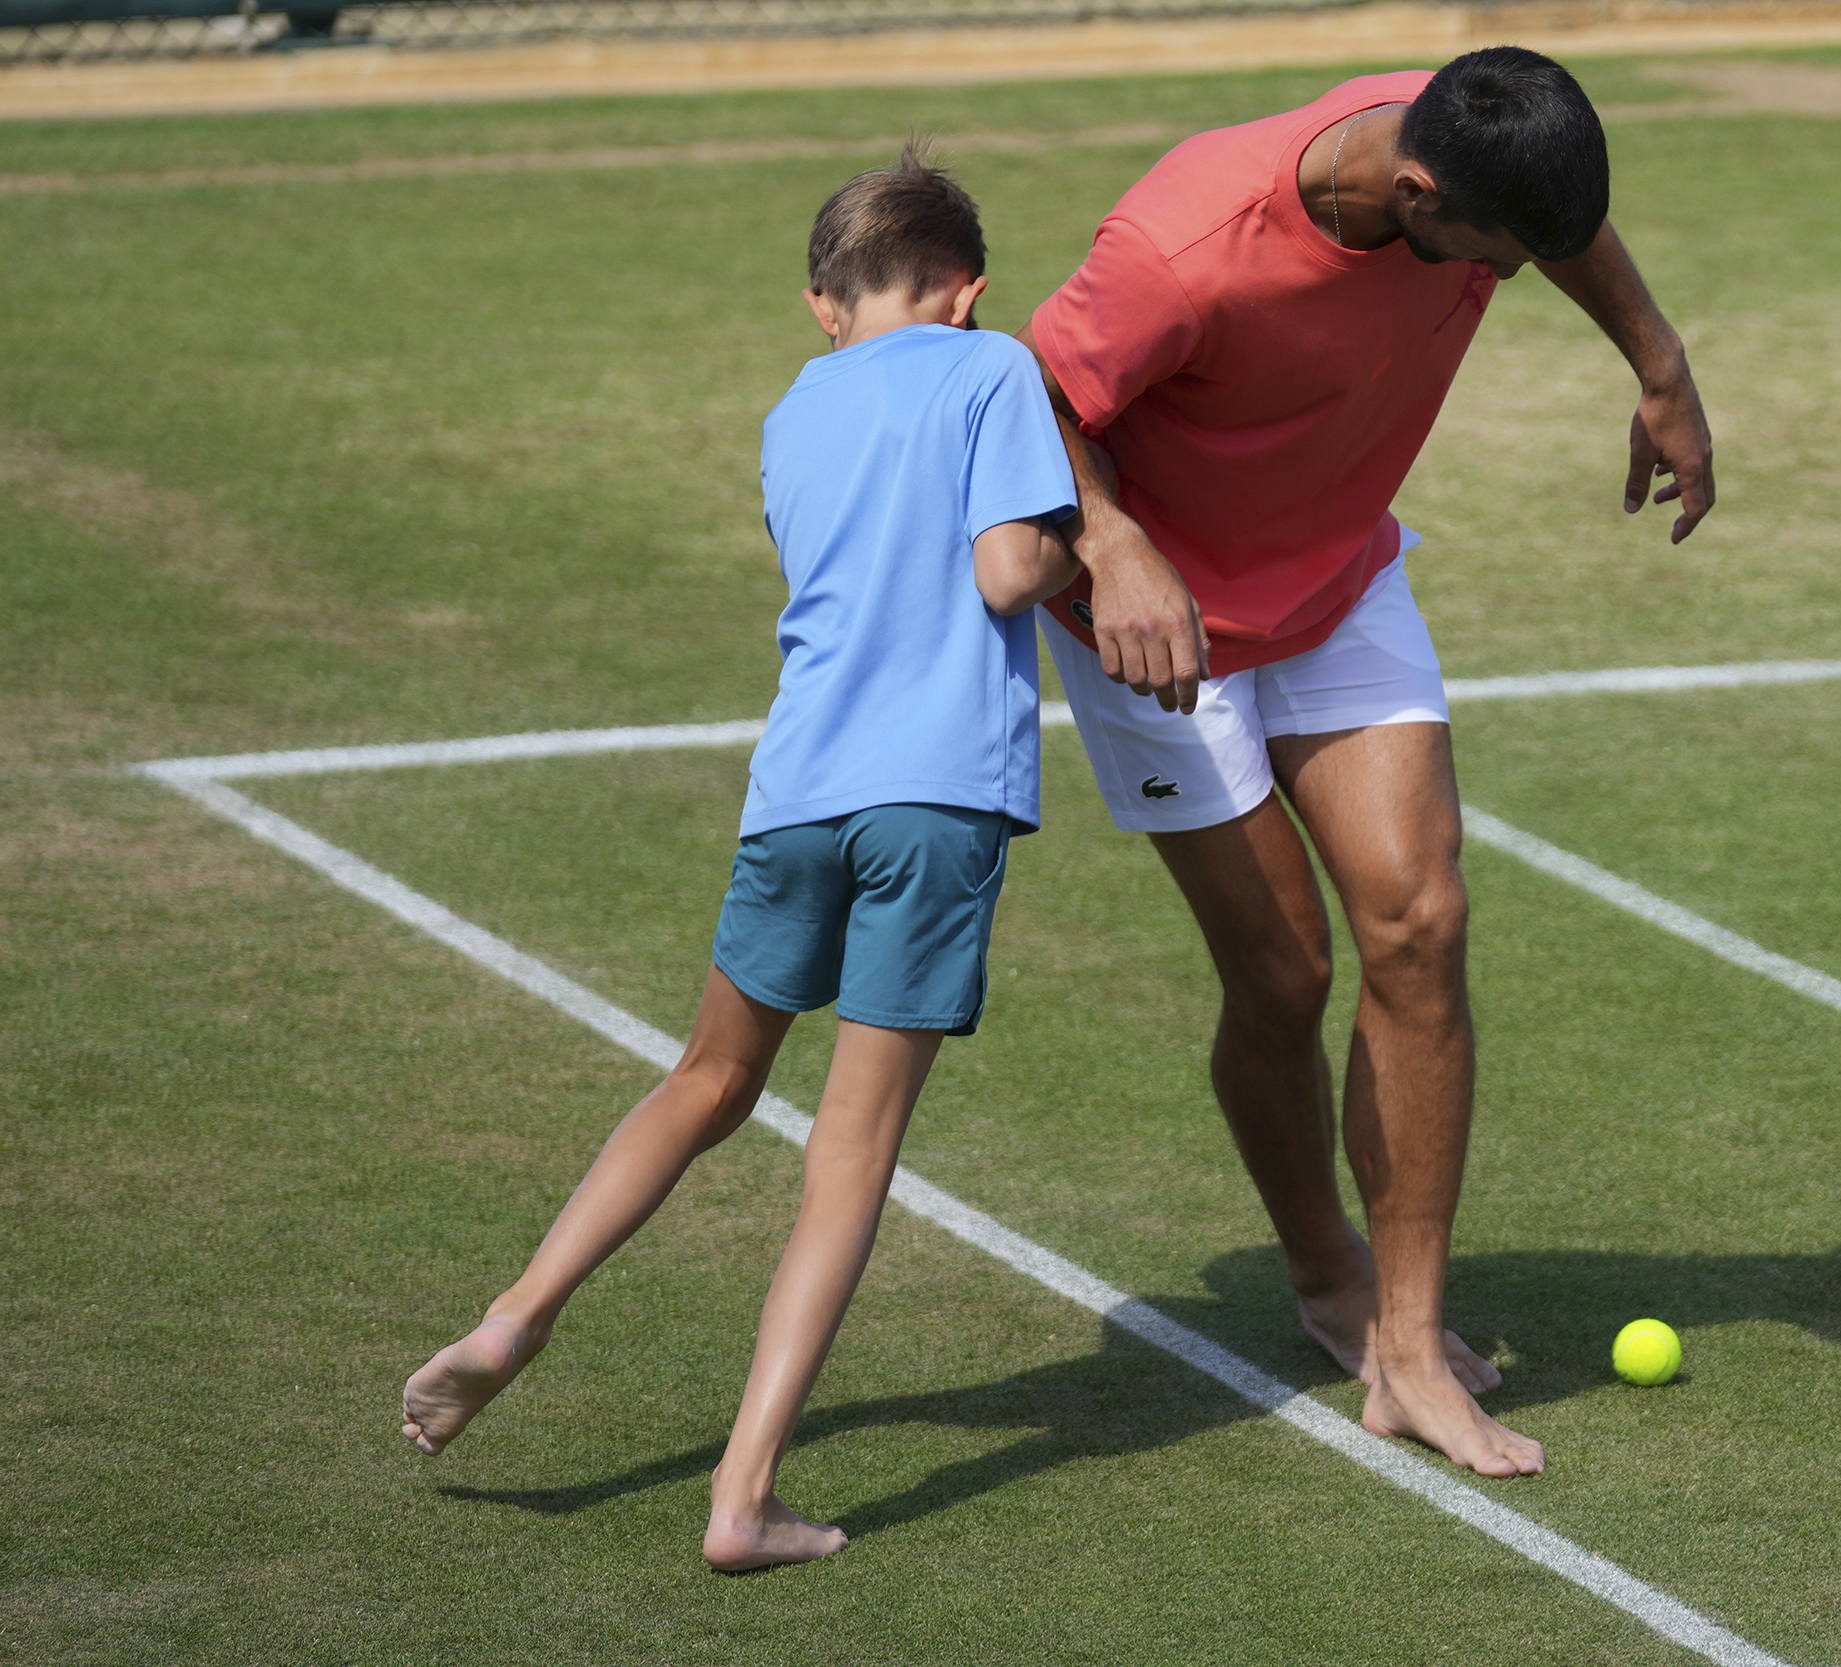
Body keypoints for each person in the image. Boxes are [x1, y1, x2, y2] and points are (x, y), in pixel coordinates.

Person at [1016, 46, 1716, 1478]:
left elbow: (1566, 234)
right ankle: (1325, 1271)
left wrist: (1662, 365)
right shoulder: (1181, 248)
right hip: (1161, 621)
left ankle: (1406, 1344)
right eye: (1498, 258)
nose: (1512, 279)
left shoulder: (1472, 133)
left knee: (1421, 921)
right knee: (1285, 974)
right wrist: (1112, 537)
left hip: (1334, 578)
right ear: (1414, 190)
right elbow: (1029, 393)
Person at [398, 146, 1079, 1570]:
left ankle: (519, 1312)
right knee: (851, 1148)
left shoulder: (792, 409)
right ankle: (744, 1493)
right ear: (965, 292)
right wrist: (1102, 557)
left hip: (795, 796)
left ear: (824, 305)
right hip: (935, 800)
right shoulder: (994, 366)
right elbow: (1008, 571)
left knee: (708, 1079)